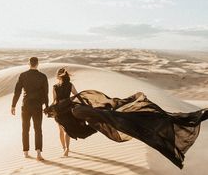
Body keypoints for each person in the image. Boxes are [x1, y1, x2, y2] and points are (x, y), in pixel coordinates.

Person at [46, 89, 208, 169]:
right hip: (115, 119)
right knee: (146, 127)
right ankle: (188, 120)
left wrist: (94, 125)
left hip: (116, 120)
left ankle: (191, 119)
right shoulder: (72, 107)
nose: (54, 117)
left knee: (146, 127)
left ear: (55, 111)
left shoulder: (75, 111)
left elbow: (94, 119)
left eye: (52, 115)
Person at [11, 57, 49, 160]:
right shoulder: (42, 76)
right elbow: (45, 93)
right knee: (38, 129)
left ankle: (26, 152)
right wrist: (47, 106)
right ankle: (38, 153)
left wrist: (13, 105)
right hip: (37, 106)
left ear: (29, 64)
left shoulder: (23, 75)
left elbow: (17, 91)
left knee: (25, 129)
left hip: (26, 105)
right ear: (37, 64)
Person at [52, 68, 79, 157]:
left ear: (59, 76)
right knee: (67, 129)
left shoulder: (55, 87)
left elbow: (54, 101)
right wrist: (72, 101)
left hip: (59, 110)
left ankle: (64, 148)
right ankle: (67, 148)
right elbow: (77, 95)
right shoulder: (70, 85)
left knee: (60, 130)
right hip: (68, 108)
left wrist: (49, 108)